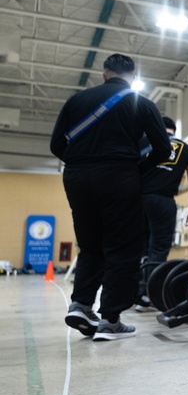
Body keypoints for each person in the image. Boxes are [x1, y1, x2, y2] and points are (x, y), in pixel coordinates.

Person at [50, 53, 172, 341]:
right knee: (122, 246)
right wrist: (134, 169)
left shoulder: (76, 101)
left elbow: (56, 145)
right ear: (132, 76)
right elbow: (163, 150)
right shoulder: (141, 102)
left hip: (77, 177)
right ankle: (110, 320)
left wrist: (83, 161)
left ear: (104, 74)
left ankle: (81, 305)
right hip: (119, 175)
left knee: (90, 244)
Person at [137, 116, 188, 309]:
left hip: (137, 199)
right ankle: (149, 294)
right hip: (163, 201)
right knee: (158, 248)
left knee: (139, 247)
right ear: (174, 130)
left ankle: (133, 292)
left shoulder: (143, 142)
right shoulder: (187, 150)